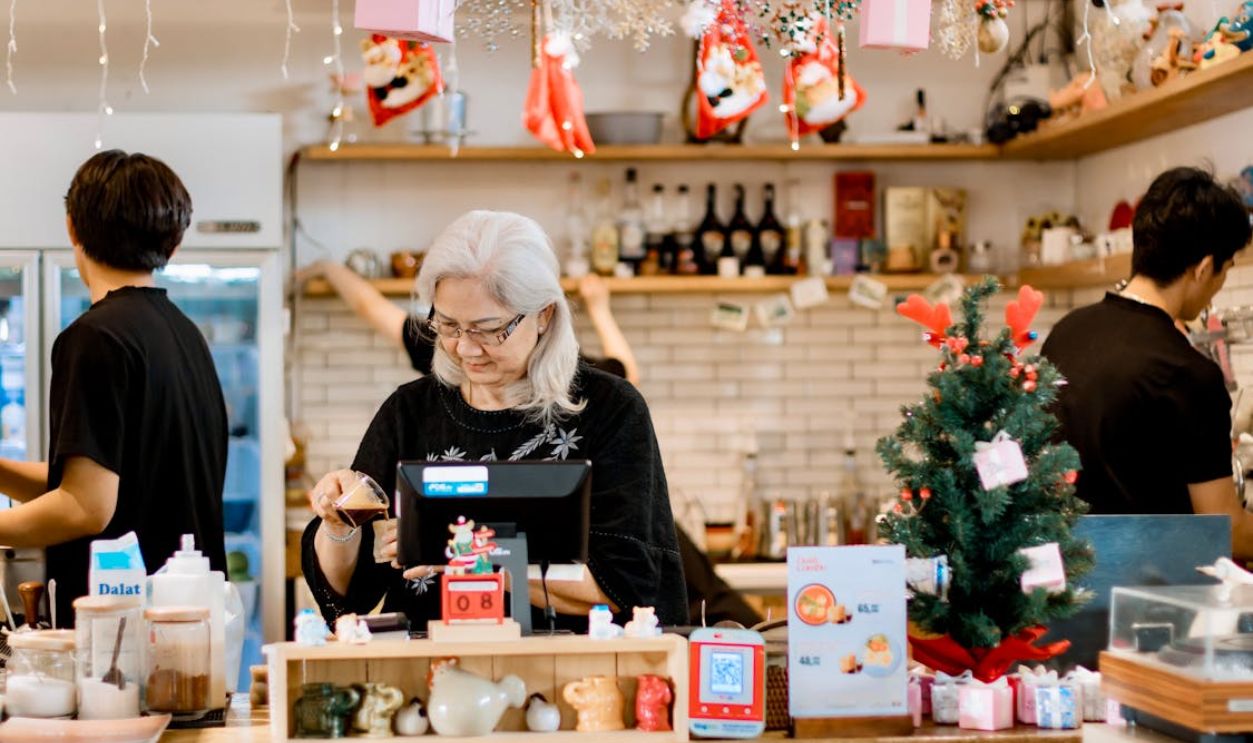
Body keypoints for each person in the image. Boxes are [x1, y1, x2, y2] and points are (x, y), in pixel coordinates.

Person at [298, 259, 763, 628]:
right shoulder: (409, 411)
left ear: (543, 315)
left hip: (574, 688)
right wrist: (339, 523)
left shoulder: (609, 408)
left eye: (487, 328)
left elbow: (625, 587)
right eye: (448, 326)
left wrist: (461, 549)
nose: (465, 348)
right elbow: (349, 593)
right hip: (428, 686)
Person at [0, 150, 228, 623]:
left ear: (72, 228)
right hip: (185, 627)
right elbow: (109, 475)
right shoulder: (184, 335)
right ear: (174, 242)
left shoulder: (94, 337)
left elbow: (86, 506)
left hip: (119, 639)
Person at [1042, 166, 1253, 558]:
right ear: (1204, 267)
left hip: (1058, 591)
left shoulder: (1066, 333)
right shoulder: (1187, 373)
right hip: (1147, 601)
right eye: (1225, 271)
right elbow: (1227, 530)